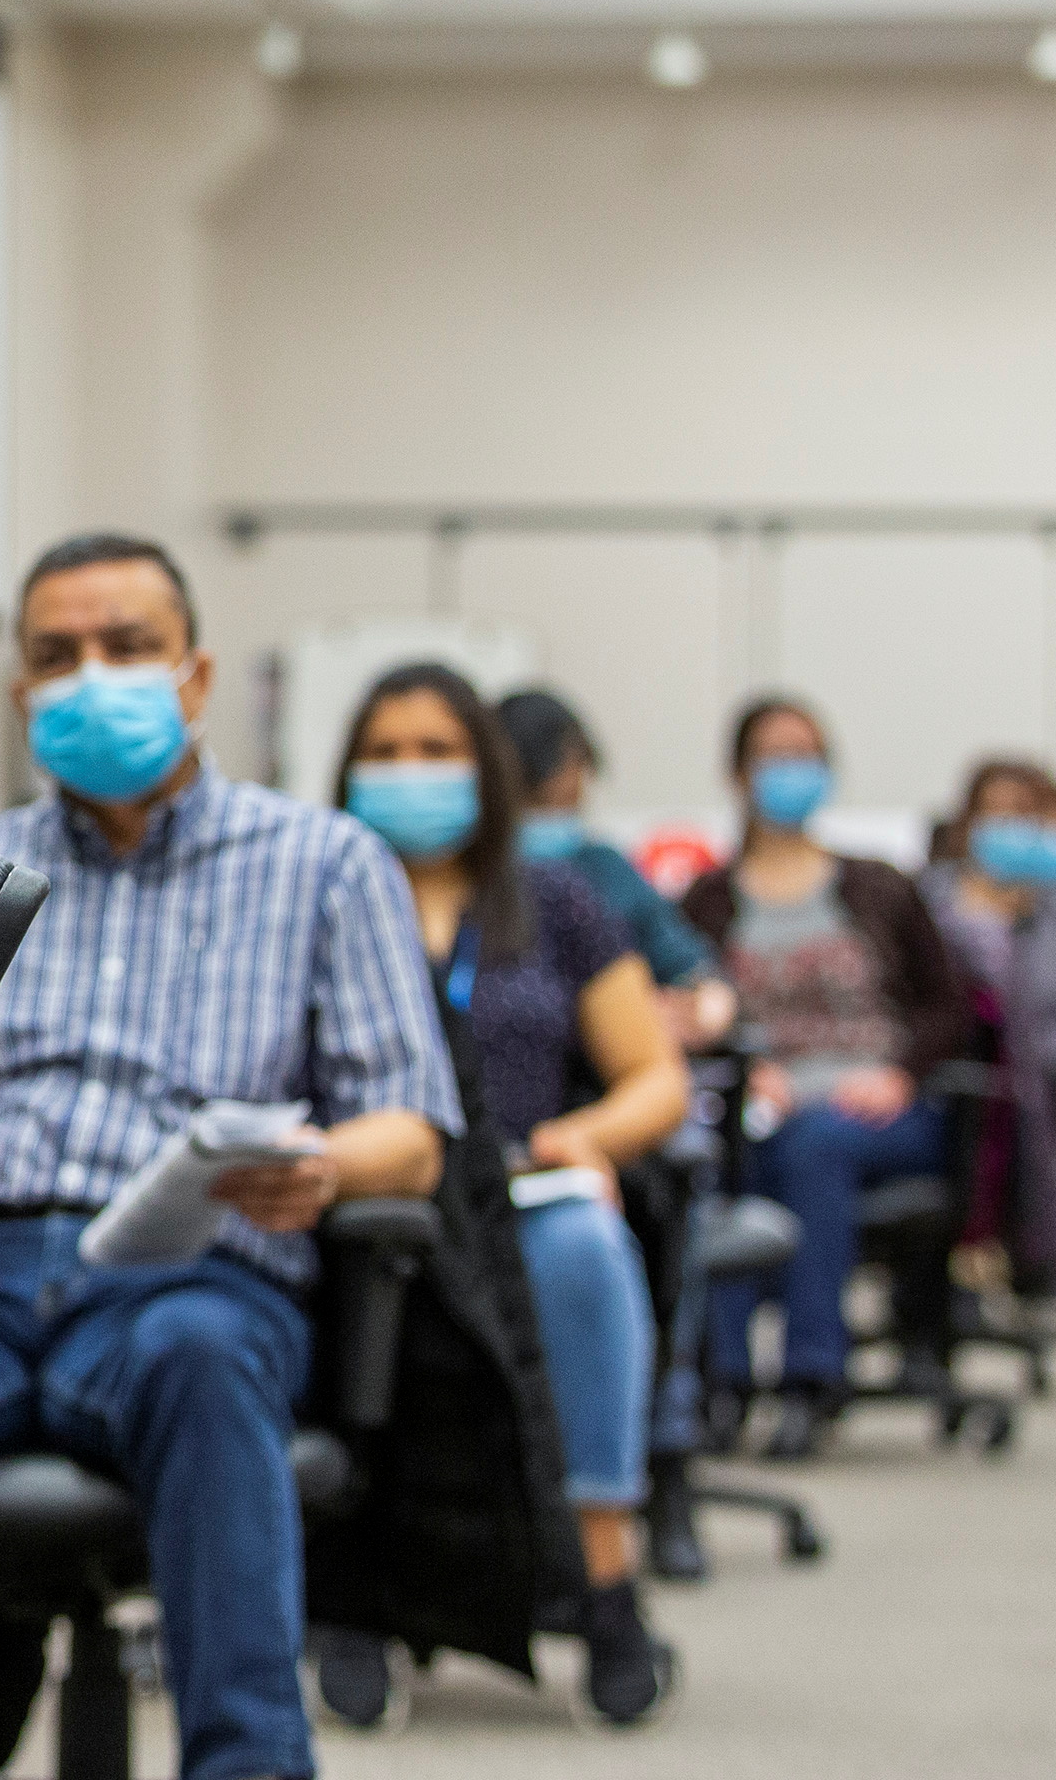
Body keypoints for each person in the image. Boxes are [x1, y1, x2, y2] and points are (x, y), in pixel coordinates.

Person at [0, 534, 459, 1780]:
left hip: (193, 1276)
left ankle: (247, 1765)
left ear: (195, 673)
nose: (94, 678)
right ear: (21, 696)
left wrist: (325, 1168)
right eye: (58, 658)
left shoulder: (328, 864)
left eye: (129, 649)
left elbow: (412, 1131)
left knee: (202, 1354)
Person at [334, 668, 688, 1725]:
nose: (411, 774)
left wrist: (582, 1138)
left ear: (486, 770)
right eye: (385, 752)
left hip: (521, 1187)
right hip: (368, 1192)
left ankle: (607, 1586)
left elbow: (657, 1078)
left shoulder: (558, 903)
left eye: (436, 751)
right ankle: (348, 1588)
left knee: (583, 1252)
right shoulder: (314, 894)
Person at [677, 699, 970, 1459]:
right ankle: (723, 1382)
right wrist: (749, 1071)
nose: (792, 770)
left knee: (815, 1147)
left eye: (807, 753)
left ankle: (812, 1374)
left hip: (876, 1109)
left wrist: (899, 1074)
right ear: (739, 773)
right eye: (776, 754)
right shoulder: (706, 901)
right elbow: (678, 1008)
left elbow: (949, 1006)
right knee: (718, 1159)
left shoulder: (878, 886)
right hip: (758, 1106)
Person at [922, 759, 1056, 1310]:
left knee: (1024, 1107)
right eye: (996, 815)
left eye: (1024, 816)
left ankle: (1036, 1266)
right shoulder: (929, 905)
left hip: (1039, 1094)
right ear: (968, 823)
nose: (1010, 830)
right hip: (944, 1093)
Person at [497, 688, 736, 1049]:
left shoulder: (604, 868)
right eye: (573, 767)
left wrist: (707, 1005)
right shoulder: (475, 875)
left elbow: (690, 965)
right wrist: (626, 1015)